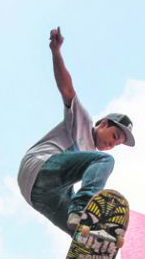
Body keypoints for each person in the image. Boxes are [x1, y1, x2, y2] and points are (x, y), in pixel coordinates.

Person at [17, 27, 135, 238]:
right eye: (114, 137)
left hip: (39, 195)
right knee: (104, 162)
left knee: (85, 234)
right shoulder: (82, 120)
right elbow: (67, 88)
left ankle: (90, 247)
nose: (112, 145)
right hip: (40, 166)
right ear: (104, 124)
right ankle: (81, 206)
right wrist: (56, 52)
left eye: (116, 144)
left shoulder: (87, 159)